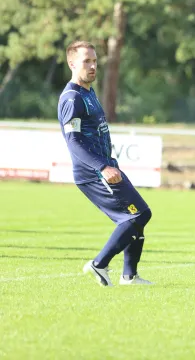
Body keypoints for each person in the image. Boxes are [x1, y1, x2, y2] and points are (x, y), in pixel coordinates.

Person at [57, 40, 153, 287]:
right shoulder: (72, 98)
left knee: (136, 216)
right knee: (138, 215)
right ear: (71, 63)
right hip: (94, 172)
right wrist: (102, 167)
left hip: (108, 167)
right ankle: (99, 264)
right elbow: (74, 142)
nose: (92, 66)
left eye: (94, 61)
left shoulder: (88, 93)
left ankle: (129, 276)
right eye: (86, 61)